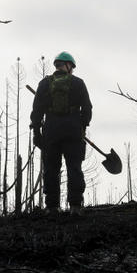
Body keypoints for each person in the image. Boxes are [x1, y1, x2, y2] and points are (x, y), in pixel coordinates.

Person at [30, 51, 92, 215]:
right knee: (74, 167)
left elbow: (36, 111)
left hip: (51, 131)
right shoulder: (78, 83)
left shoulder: (44, 84)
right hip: (72, 131)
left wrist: (37, 132)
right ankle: (75, 207)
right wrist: (82, 126)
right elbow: (87, 108)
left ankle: (52, 207)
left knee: (51, 169)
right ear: (69, 66)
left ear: (57, 66)